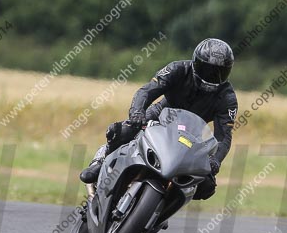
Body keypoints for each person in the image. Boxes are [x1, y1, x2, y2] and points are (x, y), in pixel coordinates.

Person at [80, 38, 238, 201]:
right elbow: (146, 91)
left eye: (220, 72)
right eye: (207, 69)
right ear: (195, 63)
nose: (212, 76)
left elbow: (224, 136)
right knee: (121, 131)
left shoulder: (227, 98)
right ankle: (100, 163)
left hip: (192, 135)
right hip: (160, 115)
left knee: (207, 186)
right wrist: (137, 113)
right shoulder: (177, 69)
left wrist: (215, 160)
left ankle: (163, 206)